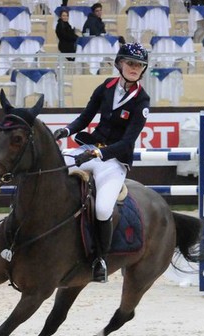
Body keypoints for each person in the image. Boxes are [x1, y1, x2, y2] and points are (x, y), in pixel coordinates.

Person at [52, 43, 150, 283]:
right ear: (119, 63)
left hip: (114, 161)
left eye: (139, 65)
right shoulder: (105, 87)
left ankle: (100, 259)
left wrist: (98, 155)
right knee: (51, 169)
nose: (134, 68)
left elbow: (128, 142)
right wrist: (65, 131)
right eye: (130, 63)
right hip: (90, 147)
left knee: (103, 208)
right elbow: (85, 118)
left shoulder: (142, 101)